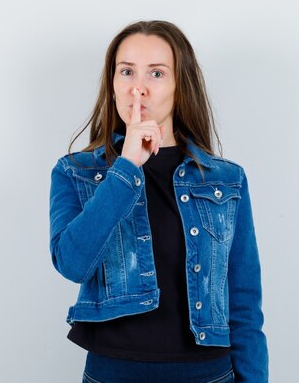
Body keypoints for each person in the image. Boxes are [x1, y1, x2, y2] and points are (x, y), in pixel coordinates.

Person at [49, 20, 268, 383]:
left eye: (156, 73)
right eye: (127, 72)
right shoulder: (76, 172)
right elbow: (73, 264)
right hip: (113, 374)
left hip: (208, 375)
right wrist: (126, 167)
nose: (139, 88)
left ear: (180, 86)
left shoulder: (226, 180)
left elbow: (244, 302)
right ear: (113, 85)